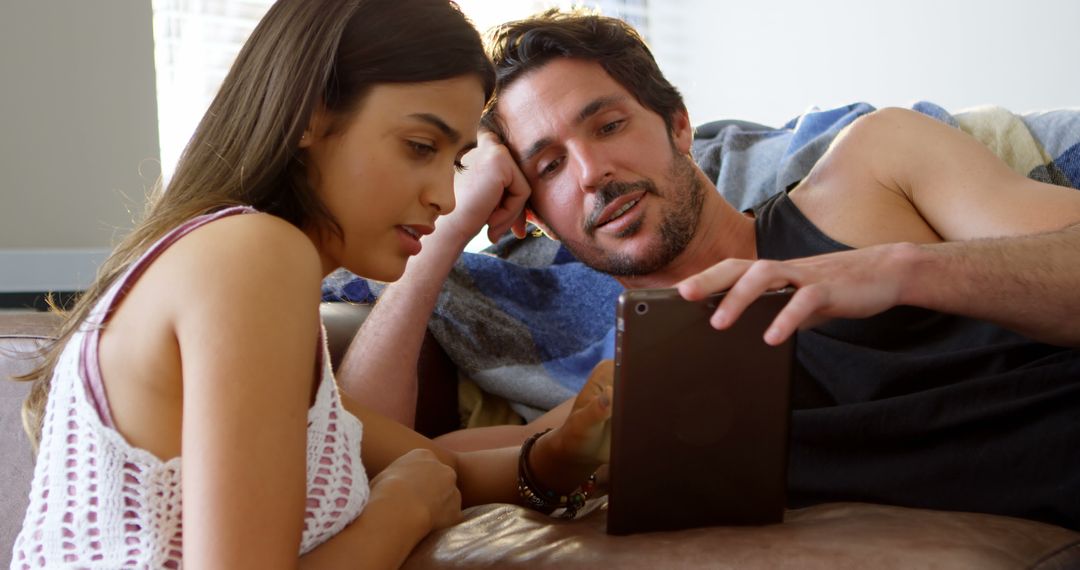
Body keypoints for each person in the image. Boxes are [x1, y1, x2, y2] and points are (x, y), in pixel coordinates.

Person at [337, 8, 1080, 529]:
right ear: (533, 213)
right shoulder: (635, 389)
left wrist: (900, 270)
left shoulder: (875, 168)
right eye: (550, 165)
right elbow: (366, 454)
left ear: (680, 126)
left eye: (609, 124)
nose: (594, 172)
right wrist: (453, 224)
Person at [11, 1, 612, 568]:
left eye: (454, 160)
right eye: (418, 146)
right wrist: (398, 513)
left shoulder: (246, 270)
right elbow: (415, 485)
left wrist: (564, 454)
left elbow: (440, 465)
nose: (445, 196)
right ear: (308, 117)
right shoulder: (254, 255)